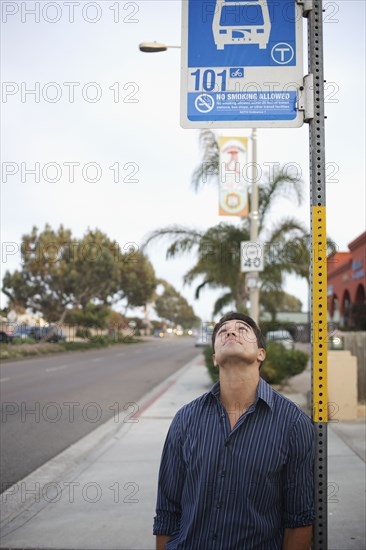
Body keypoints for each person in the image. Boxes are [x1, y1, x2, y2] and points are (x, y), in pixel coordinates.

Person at [153, 312, 315, 550]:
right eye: (222, 331)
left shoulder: (293, 423)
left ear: (261, 353)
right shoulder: (185, 419)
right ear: (215, 358)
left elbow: (299, 519)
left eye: (242, 330)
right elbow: (167, 510)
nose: (230, 332)